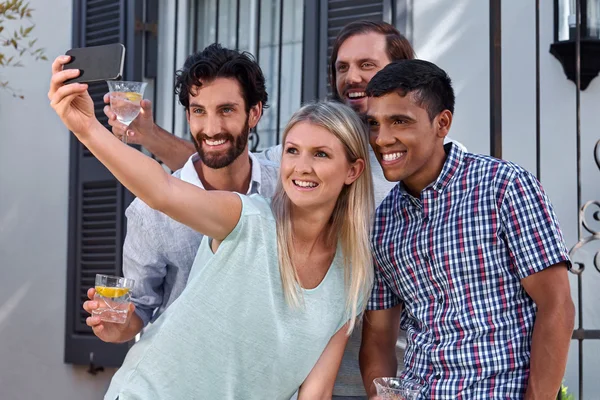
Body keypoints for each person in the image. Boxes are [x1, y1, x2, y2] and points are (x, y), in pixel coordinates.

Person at [102, 20, 460, 399]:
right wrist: (146, 135)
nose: (353, 77)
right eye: (342, 67)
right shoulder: (277, 182)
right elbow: (216, 163)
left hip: (362, 372)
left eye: (366, 65)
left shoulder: (425, 173)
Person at [49, 51, 376, 397]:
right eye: (292, 151)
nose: (301, 167)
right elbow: (162, 191)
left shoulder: (353, 275)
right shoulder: (248, 217)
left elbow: (317, 393)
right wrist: (85, 126)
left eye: (321, 154)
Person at [359, 59, 575, 399]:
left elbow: (557, 306)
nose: (382, 139)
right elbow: (378, 339)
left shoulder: (505, 188)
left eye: (399, 121)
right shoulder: (383, 222)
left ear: (441, 123)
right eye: (374, 124)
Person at [83, 44, 279, 343]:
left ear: (254, 113)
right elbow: (140, 308)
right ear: (188, 116)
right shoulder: (149, 213)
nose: (211, 128)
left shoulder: (283, 186)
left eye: (226, 110)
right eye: (199, 111)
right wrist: (117, 326)